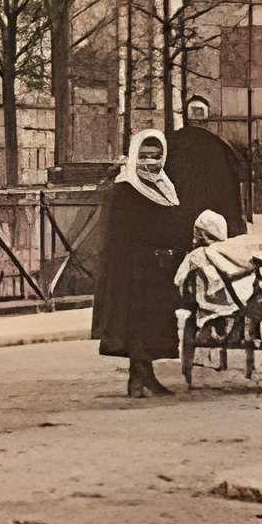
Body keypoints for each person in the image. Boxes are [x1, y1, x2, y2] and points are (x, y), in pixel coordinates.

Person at [92, 128, 188, 396]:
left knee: (154, 323)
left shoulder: (164, 186)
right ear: (135, 155)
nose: (150, 161)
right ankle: (139, 379)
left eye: (155, 155)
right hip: (135, 269)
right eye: (144, 155)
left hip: (160, 269)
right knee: (137, 324)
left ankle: (143, 376)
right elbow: (122, 233)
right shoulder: (126, 188)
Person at [166, 95, 249, 237]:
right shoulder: (222, 147)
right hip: (212, 226)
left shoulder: (171, 143)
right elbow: (232, 191)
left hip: (178, 223)